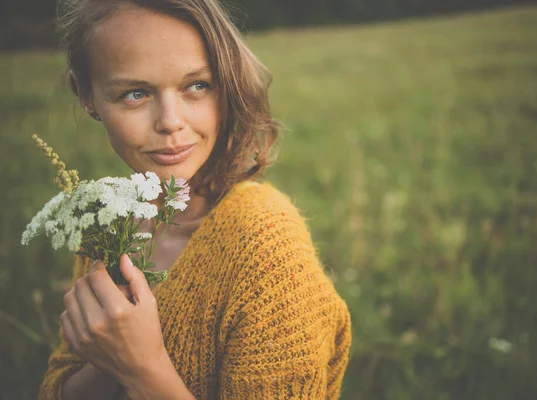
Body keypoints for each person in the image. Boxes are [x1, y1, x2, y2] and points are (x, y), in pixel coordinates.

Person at [38, 0, 352, 399]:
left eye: (197, 86)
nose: (171, 121)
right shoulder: (109, 225)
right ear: (86, 94)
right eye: (135, 93)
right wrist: (106, 361)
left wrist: (143, 368)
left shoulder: (268, 251)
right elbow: (59, 384)